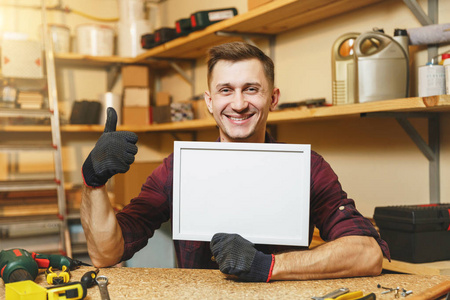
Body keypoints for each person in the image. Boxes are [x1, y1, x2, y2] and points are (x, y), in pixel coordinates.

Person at [80, 42, 390, 282]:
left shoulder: (307, 168)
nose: (239, 104)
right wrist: (94, 181)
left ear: (273, 98)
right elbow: (106, 254)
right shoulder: (180, 168)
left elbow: (367, 253)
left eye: (251, 89)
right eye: (226, 90)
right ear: (209, 102)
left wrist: (267, 267)